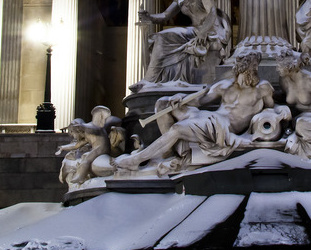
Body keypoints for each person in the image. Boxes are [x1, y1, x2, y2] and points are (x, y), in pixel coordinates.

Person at [116, 51, 273, 171]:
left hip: (221, 128)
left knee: (177, 129)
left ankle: (135, 161)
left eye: (254, 68)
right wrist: (181, 97)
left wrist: (280, 113)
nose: (253, 71)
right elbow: (200, 101)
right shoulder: (224, 86)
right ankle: (170, 153)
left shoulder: (262, 89)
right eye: (251, 68)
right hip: (209, 118)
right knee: (162, 104)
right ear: (240, 69)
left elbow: (272, 108)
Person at [137, 0, 230, 84]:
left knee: (163, 37)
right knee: (158, 38)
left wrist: (203, 32)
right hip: (196, 31)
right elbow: (165, 15)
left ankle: (150, 79)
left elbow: (212, 11)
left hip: (210, 31)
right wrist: (148, 17)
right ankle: (155, 79)